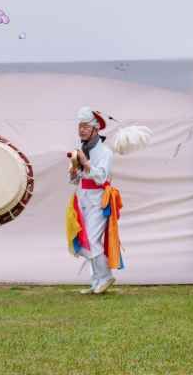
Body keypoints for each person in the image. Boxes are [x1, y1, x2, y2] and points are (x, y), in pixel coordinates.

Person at [65, 107, 123, 295]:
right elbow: (75, 180)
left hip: (99, 200)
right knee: (83, 240)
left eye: (85, 126)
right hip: (82, 198)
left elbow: (101, 178)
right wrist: (74, 171)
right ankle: (97, 281)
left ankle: (105, 276)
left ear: (95, 129)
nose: (81, 130)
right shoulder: (81, 150)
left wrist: (86, 163)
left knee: (91, 239)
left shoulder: (105, 152)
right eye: (80, 126)